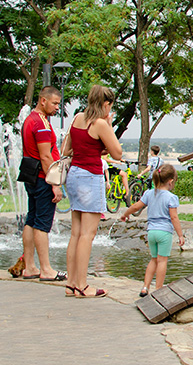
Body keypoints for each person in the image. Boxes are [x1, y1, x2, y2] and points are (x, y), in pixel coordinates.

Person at [61, 85, 122, 299]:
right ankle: (83, 286)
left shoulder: (78, 118)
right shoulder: (100, 124)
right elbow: (117, 152)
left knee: (76, 233)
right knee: (88, 234)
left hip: (74, 174)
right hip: (90, 175)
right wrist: (109, 125)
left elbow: (68, 148)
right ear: (106, 104)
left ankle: (71, 283)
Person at [18, 86, 66, 281]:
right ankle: (46, 269)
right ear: (43, 100)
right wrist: (55, 184)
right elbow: (46, 156)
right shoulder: (41, 124)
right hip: (42, 179)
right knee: (42, 224)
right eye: (54, 103)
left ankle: (29, 266)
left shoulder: (30, 119)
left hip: (32, 177)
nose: (57, 108)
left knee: (31, 220)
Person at [120, 164, 185, 298]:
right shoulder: (171, 197)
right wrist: (180, 235)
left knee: (153, 260)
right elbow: (174, 217)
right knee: (162, 261)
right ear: (171, 181)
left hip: (151, 232)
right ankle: (159, 289)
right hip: (164, 232)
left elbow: (137, 206)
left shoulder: (149, 193)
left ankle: (145, 287)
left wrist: (125, 214)